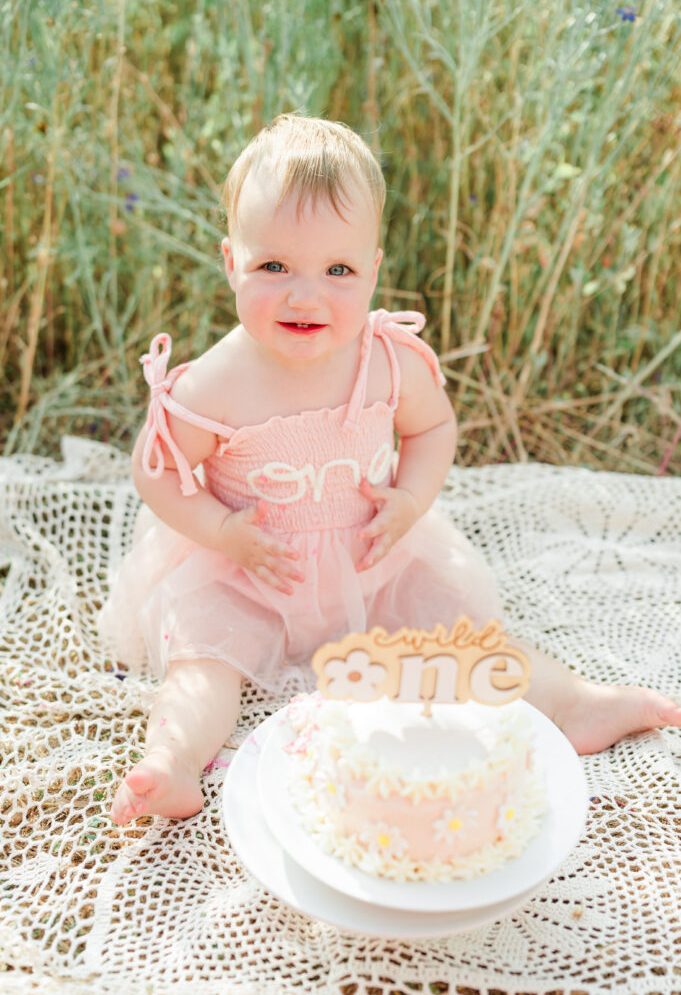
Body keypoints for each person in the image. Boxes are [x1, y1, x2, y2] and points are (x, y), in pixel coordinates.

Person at [104, 114, 681, 827]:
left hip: (369, 557)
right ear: (231, 262)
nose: (304, 295)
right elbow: (153, 473)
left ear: (373, 268)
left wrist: (409, 498)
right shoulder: (214, 385)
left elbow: (432, 426)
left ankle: (569, 703)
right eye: (272, 266)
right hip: (249, 571)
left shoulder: (386, 361)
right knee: (204, 667)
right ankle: (174, 762)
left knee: (455, 640)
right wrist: (222, 530)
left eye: (337, 270)